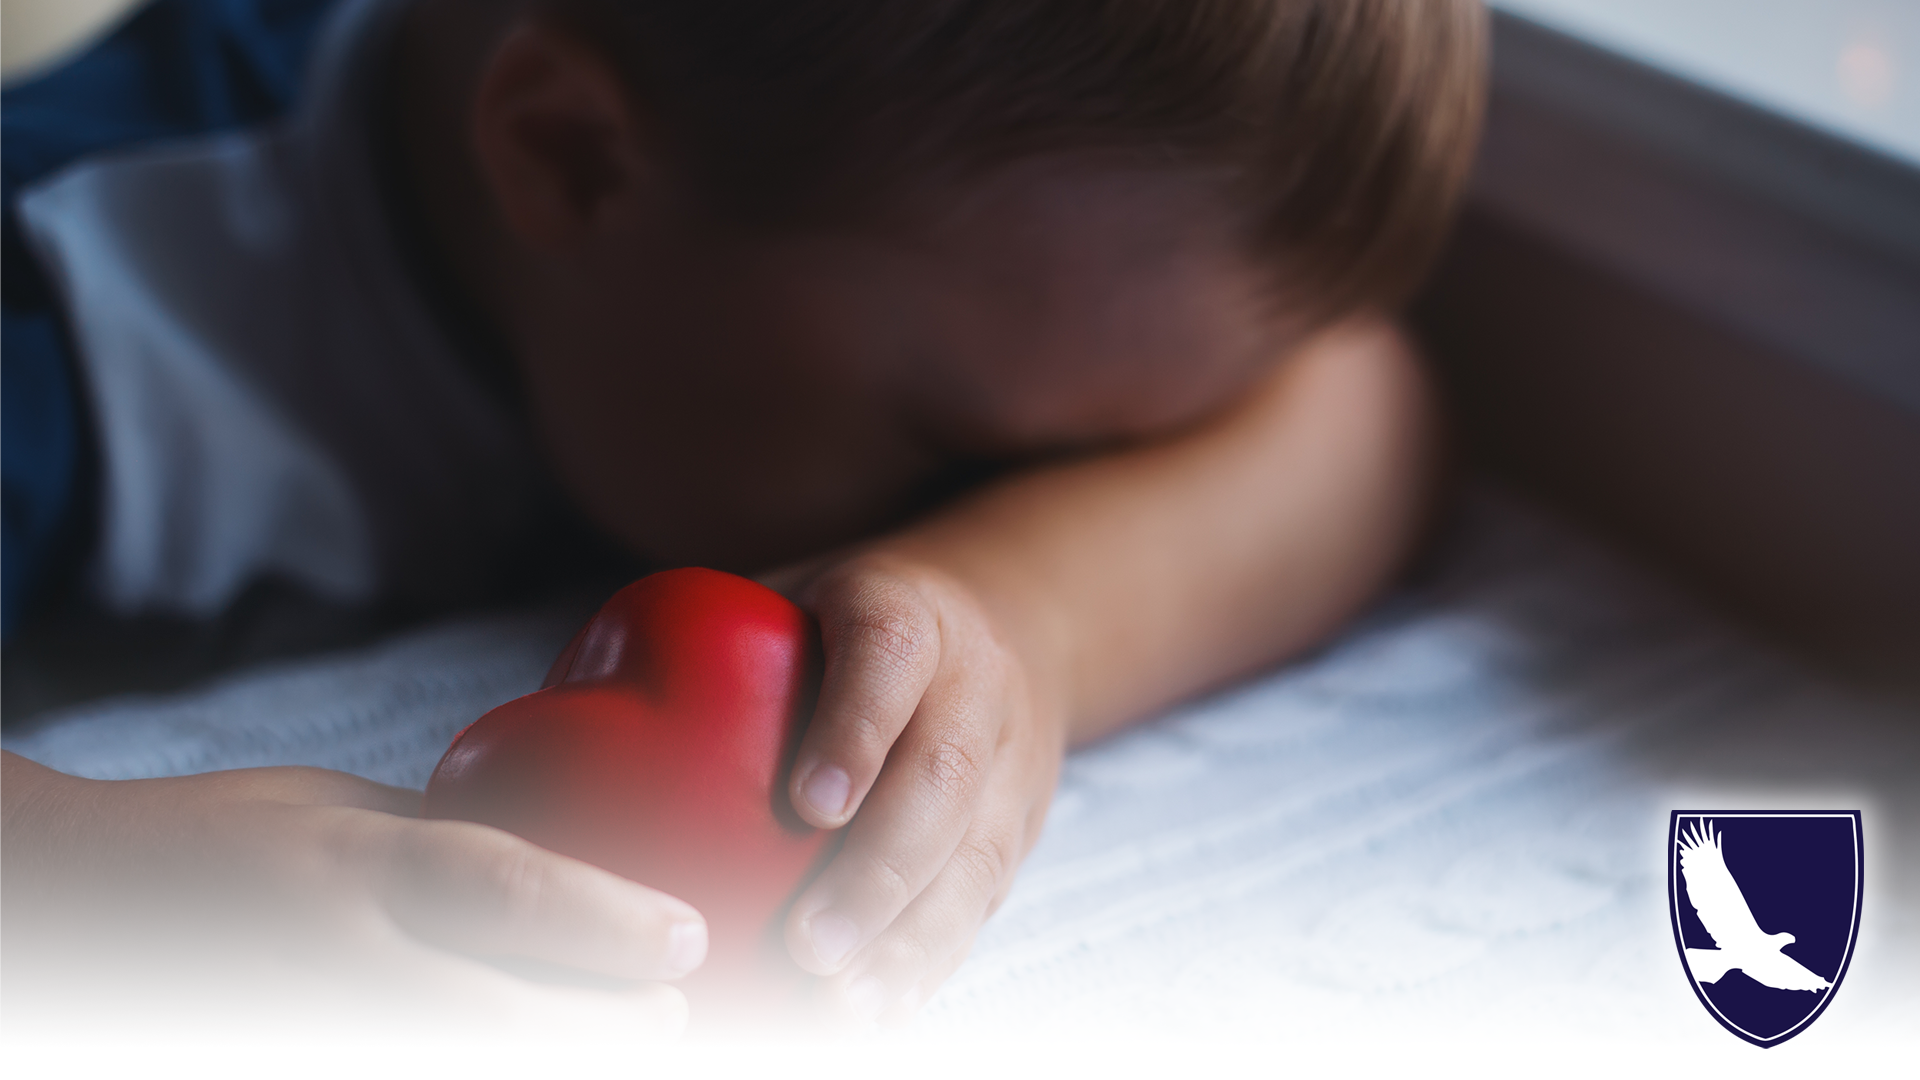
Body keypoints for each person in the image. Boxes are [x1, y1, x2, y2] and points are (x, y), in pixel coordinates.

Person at [0, 0, 1485, 1033]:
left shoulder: (784, 199)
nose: (980, 498)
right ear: (574, 160)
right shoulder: (71, 305)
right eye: (955, 450)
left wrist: (1016, 612)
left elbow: (1368, 408)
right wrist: (86, 889)